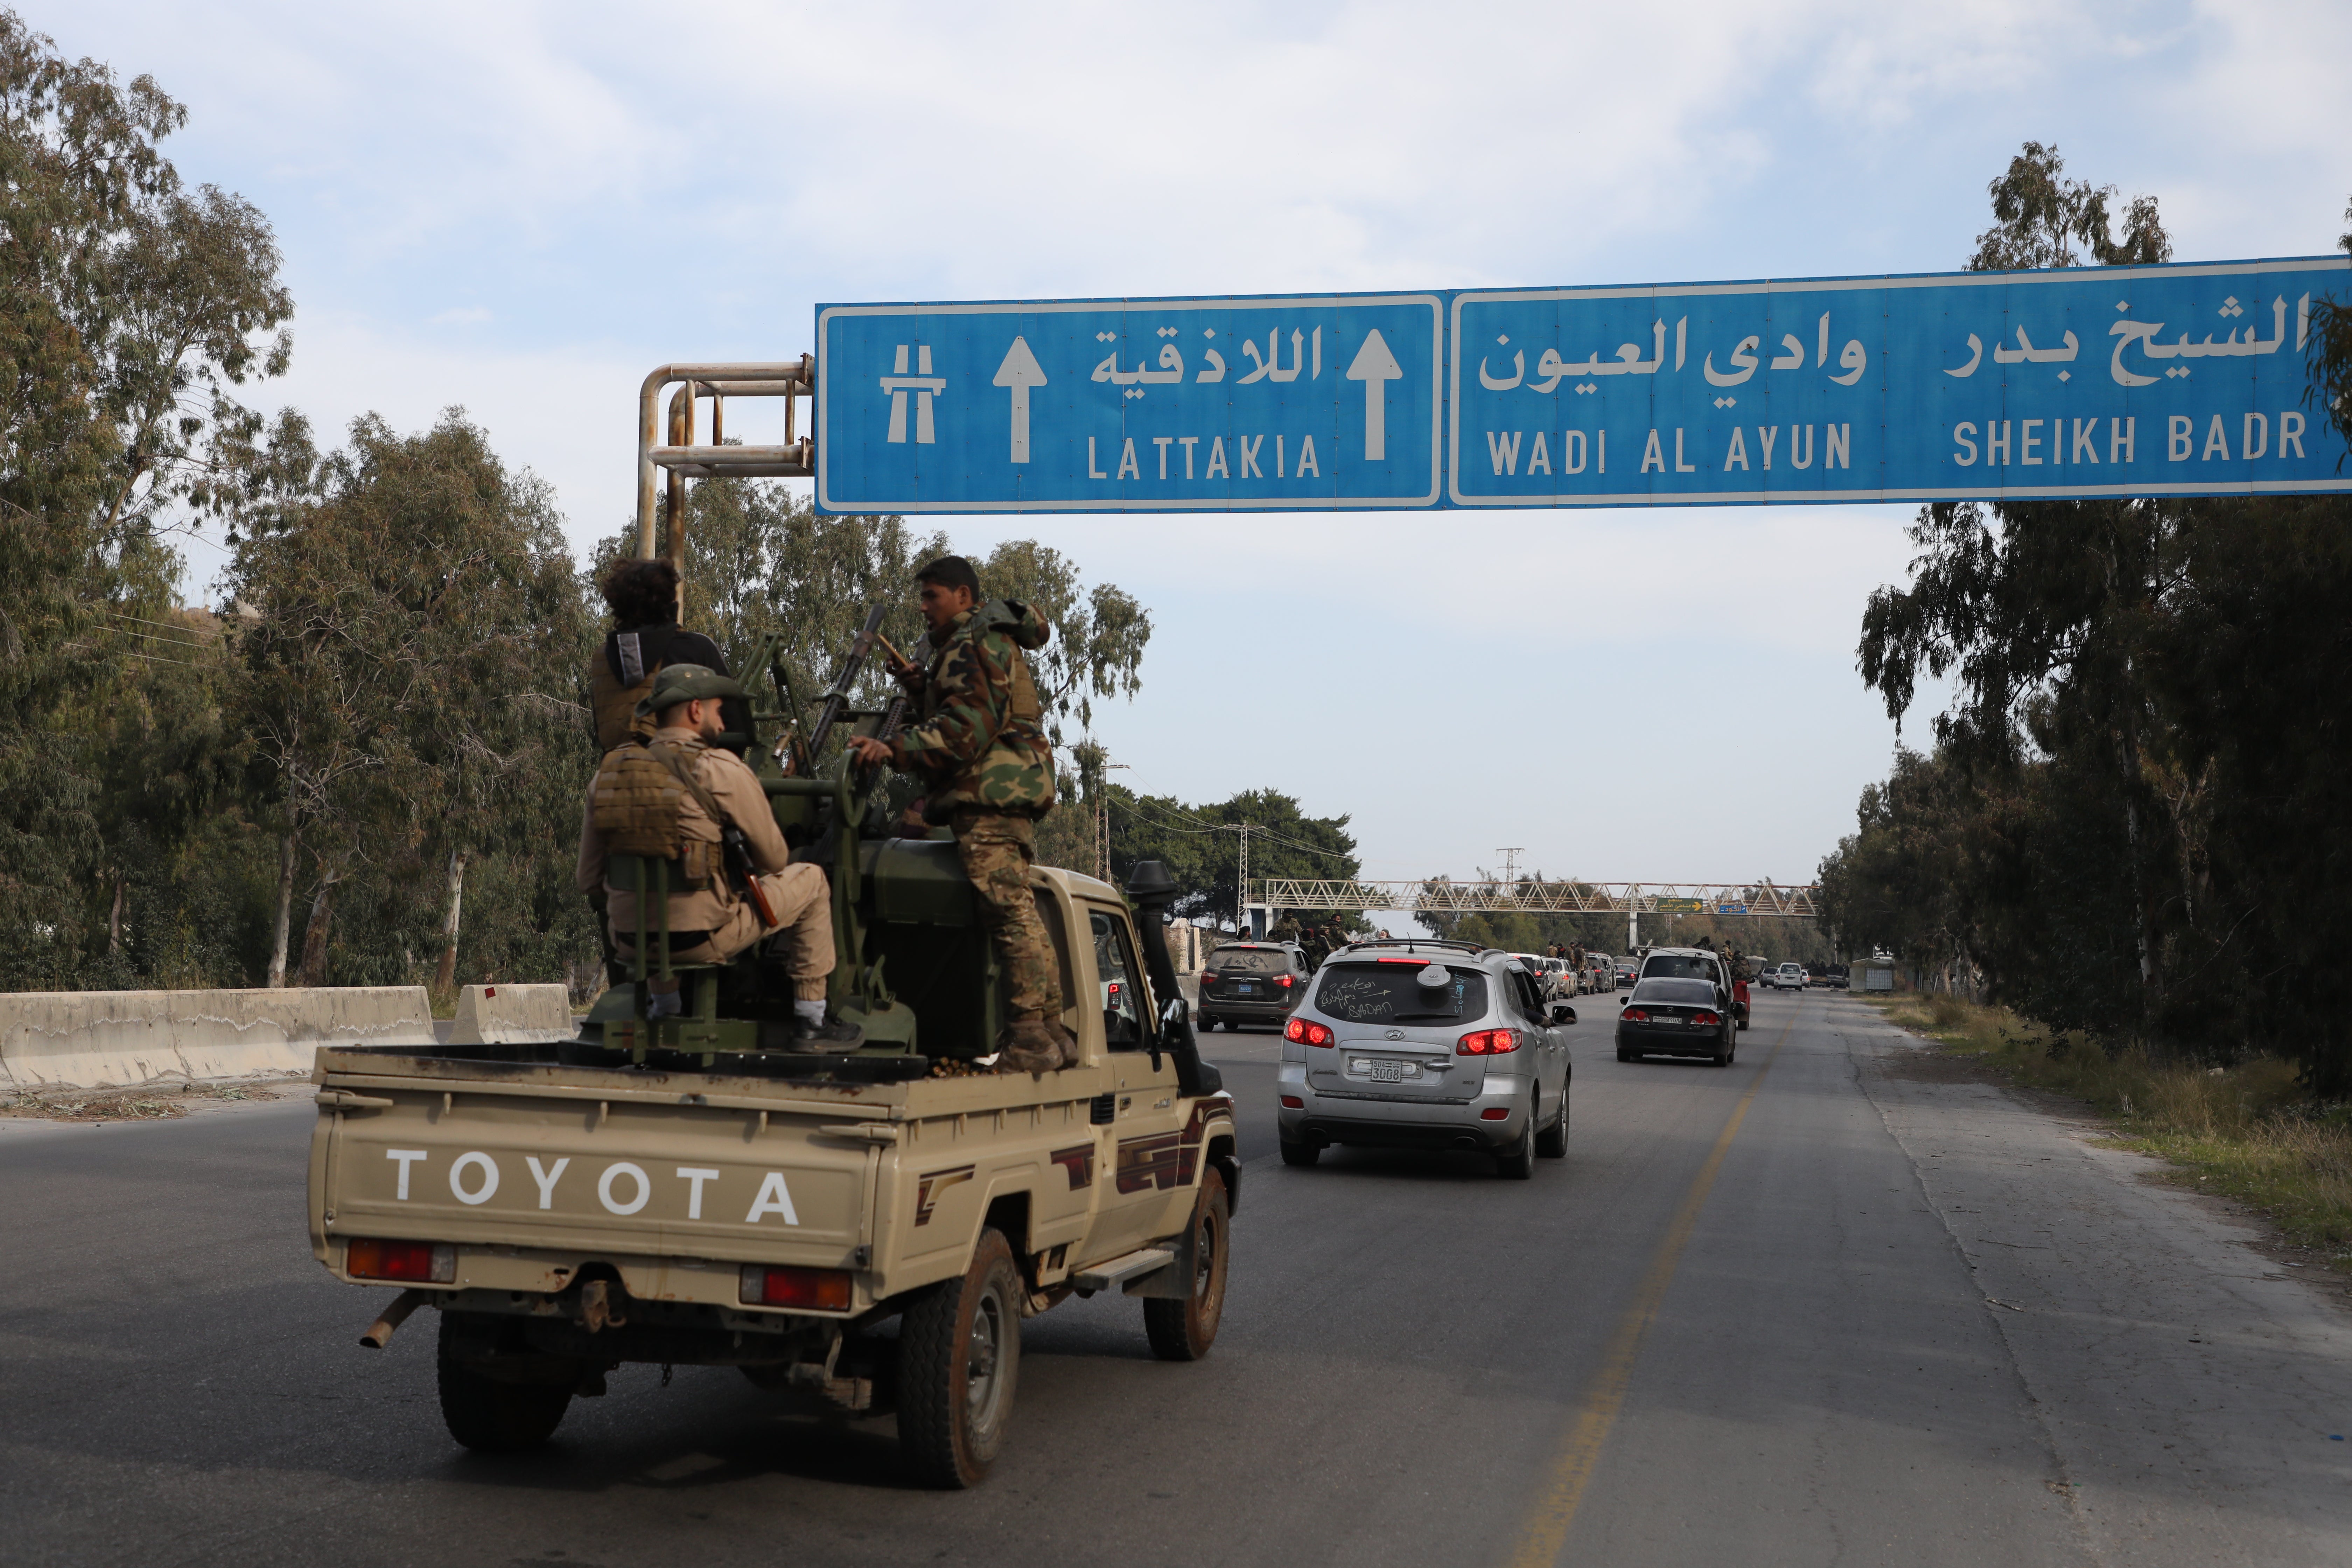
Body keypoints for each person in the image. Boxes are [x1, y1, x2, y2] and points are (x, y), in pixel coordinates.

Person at [846, 556, 1076, 1073]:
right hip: (1006, 790)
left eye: (933, 596)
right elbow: (968, 714)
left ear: (964, 598)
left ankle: (1030, 1041)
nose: (924, 607)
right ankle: (1050, 1032)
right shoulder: (976, 643)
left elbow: (967, 730)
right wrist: (919, 688)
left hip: (988, 795)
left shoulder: (972, 643)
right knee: (1020, 914)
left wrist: (893, 748)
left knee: (1009, 916)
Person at [577, 664, 860, 1049]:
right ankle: (812, 1021)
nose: (721, 718)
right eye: (717, 709)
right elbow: (776, 860)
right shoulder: (720, 769)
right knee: (811, 880)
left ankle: (666, 1007)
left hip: (630, 941)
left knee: (653, 906)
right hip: (704, 938)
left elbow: (589, 880)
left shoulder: (607, 777)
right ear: (695, 710)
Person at [589, 559, 749, 753]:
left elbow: (602, 731)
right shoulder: (696, 648)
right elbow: (735, 732)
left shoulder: (602, 658)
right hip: (683, 776)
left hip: (613, 776)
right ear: (671, 602)